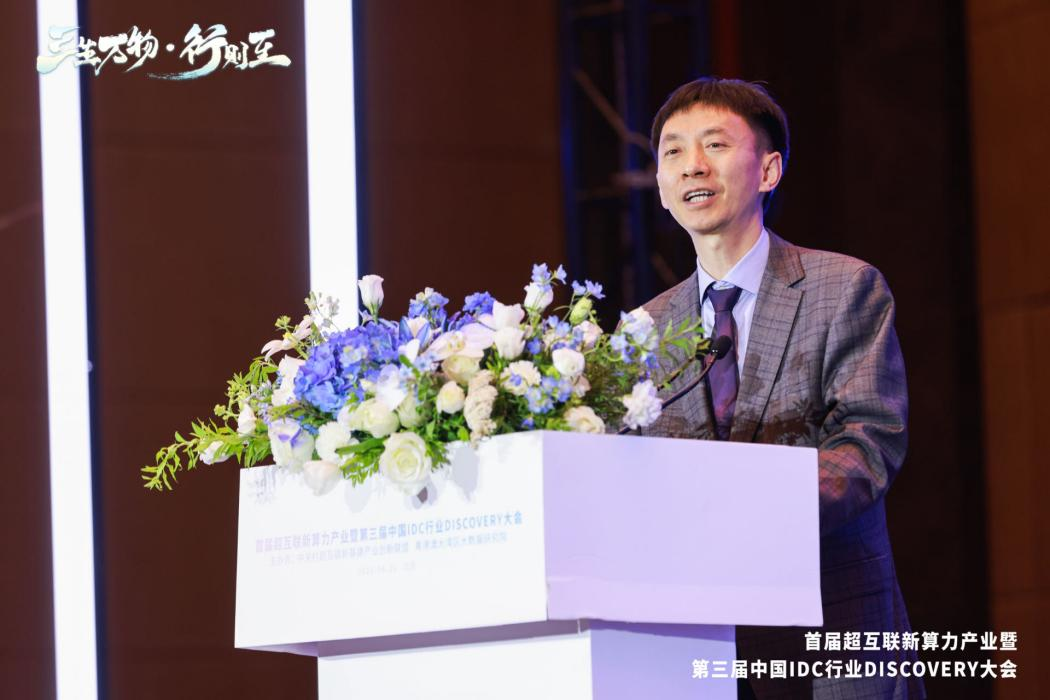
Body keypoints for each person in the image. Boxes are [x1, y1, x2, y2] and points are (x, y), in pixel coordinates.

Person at [639, 78, 925, 699]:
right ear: (661, 187)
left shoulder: (843, 287)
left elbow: (868, 441)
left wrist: (753, 511)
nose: (693, 165)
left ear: (768, 170)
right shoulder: (644, 330)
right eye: (673, 151)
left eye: (715, 144)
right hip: (694, 643)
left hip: (829, 630)